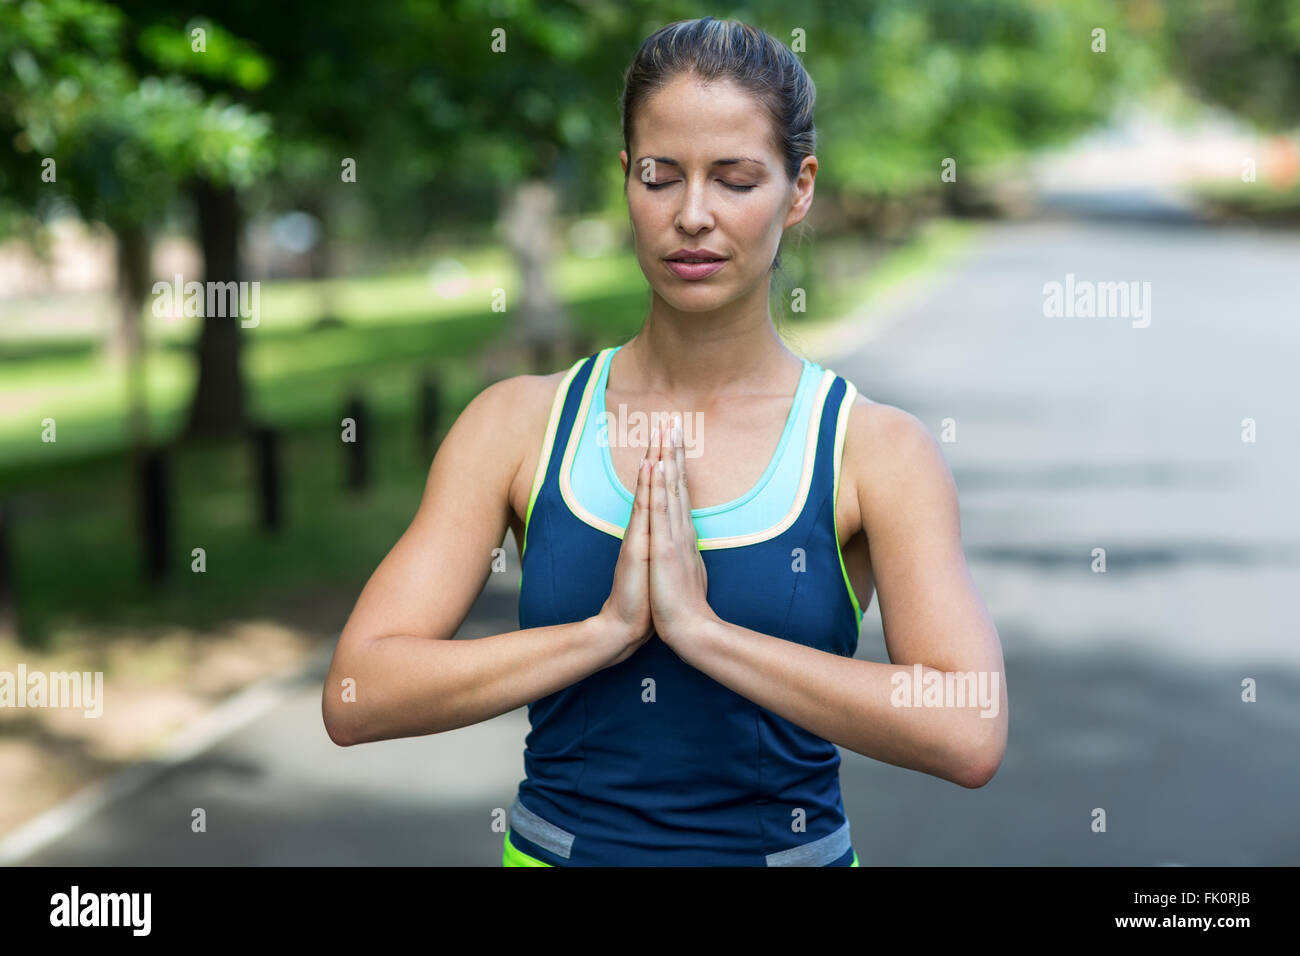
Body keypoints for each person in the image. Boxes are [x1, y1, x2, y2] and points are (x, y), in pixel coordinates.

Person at [322, 16, 1007, 867]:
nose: (692, 215)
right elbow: (357, 694)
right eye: (660, 177)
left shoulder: (872, 450)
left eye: (735, 180)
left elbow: (968, 728)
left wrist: (703, 632)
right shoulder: (517, 424)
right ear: (625, 181)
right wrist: (603, 633)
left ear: (799, 190)